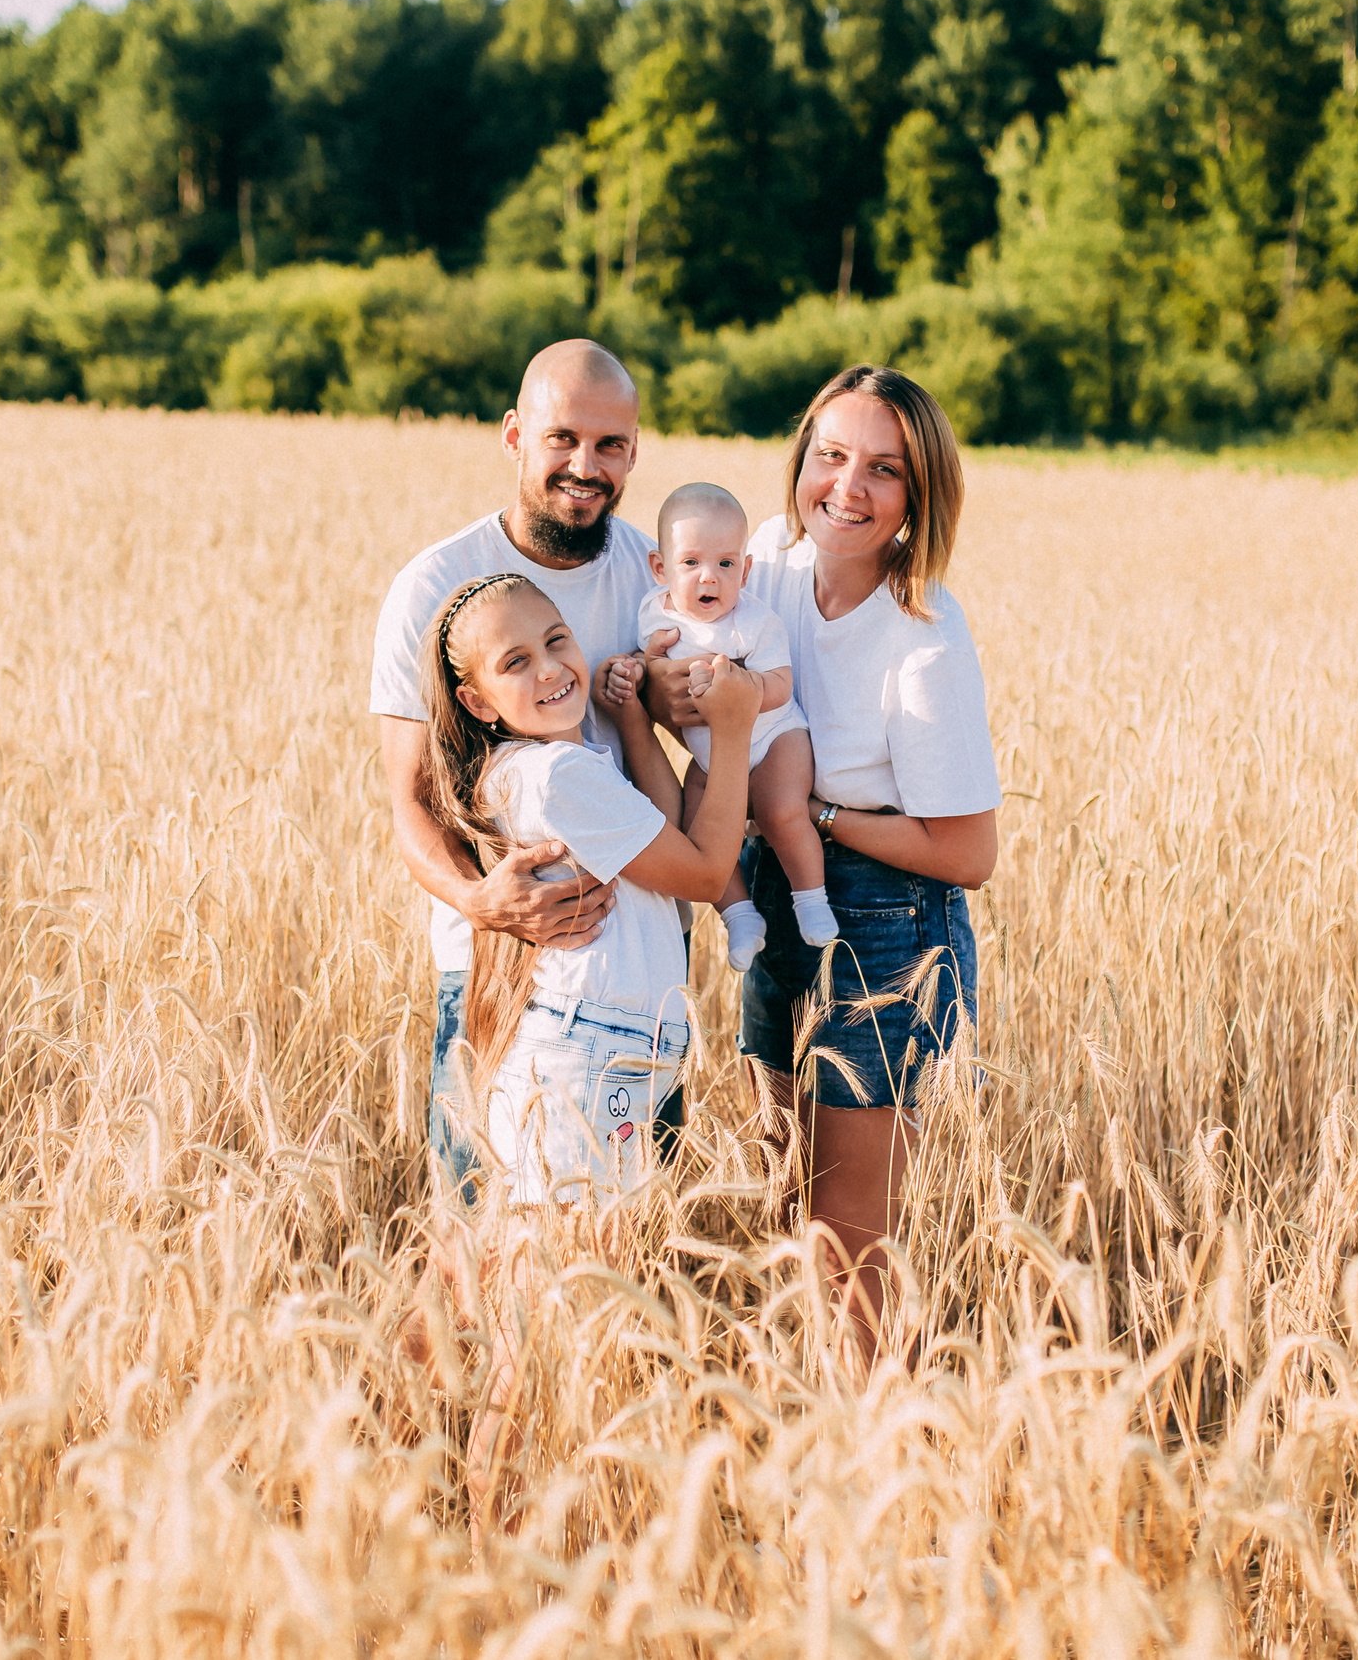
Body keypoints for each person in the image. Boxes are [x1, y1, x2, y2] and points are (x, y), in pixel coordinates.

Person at [643, 365, 1000, 1365]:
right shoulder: (760, 560)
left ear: (918, 498)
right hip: (769, 886)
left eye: (883, 470)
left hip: (886, 919)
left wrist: (810, 812)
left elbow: (968, 852)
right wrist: (674, 698)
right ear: (800, 462)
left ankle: (880, 1447)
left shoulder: (924, 636)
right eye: (830, 456)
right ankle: (813, 1423)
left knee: (850, 1240)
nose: (847, 486)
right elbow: (697, 690)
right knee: (779, 1189)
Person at [413, 568, 758, 1535]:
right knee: (540, 1336)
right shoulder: (558, 775)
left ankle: (491, 1528)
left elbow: (669, 833)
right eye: (516, 662)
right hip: (587, 1070)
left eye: (557, 641)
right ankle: (494, 1543)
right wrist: (729, 734)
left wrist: (636, 727)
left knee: (542, 1314)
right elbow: (702, 866)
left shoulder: (568, 764)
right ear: (477, 700)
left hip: (598, 1060)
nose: (553, 668)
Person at [372, 340, 671, 1192]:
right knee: (472, 1241)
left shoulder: (656, 581)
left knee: (614, 1257)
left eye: (611, 445)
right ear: (514, 437)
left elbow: (716, 727)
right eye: (562, 439)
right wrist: (479, 900)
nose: (586, 465)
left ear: (634, 452)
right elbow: (412, 801)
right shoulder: (436, 585)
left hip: (637, 980)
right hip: (497, 972)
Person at [606, 481, 834, 969]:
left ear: (745, 570)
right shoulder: (653, 612)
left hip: (775, 737)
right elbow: (648, 666)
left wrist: (741, 690)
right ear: (660, 568)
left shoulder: (753, 621)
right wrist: (638, 668)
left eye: (726, 564)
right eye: (690, 563)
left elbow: (780, 682)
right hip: (711, 756)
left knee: (781, 810)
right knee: (696, 827)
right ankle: (739, 915)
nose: (709, 578)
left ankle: (811, 899)